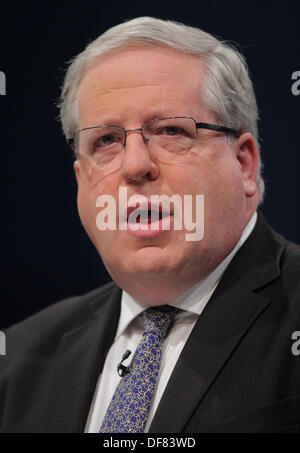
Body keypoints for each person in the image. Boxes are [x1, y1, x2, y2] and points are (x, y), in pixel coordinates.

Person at [0, 16, 299, 434]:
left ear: (244, 163)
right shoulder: (16, 359)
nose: (135, 165)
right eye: (105, 141)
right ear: (80, 182)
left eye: (171, 131)